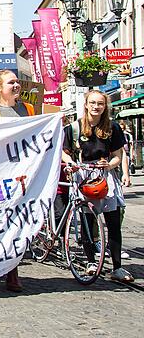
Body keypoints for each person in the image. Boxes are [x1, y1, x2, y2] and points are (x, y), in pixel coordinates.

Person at [62, 90, 134, 283]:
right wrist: (71, 163)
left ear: (105, 106)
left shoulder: (113, 128)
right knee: (87, 220)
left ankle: (117, 267)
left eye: (100, 104)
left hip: (105, 176)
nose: (96, 107)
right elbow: (64, 152)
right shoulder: (74, 128)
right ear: (86, 104)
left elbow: (119, 154)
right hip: (83, 174)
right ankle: (91, 261)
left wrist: (111, 165)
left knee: (113, 222)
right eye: (92, 103)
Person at [0, 69, 33, 291]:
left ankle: (13, 269)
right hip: (1, 175)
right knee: (4, 221)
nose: (16, 85)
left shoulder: (28, 109)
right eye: (10, 82)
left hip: (25, 172)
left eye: (17, 81)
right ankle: (9, 271)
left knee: (20, 220)